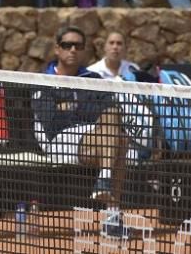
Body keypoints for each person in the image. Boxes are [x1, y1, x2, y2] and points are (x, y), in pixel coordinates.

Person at [34, 27, 127, 219]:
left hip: (95, 138)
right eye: (68, 45)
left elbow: (111, 108)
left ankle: (106, 188)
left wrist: (68, 107)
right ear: (57, 49)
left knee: (115, 124)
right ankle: (113, 212)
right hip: (59, 140)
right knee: (119, 142)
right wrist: (85, 108)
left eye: (78, 46)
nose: (73, 50)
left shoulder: (93, 79)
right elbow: (51, 121)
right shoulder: (44, 80)